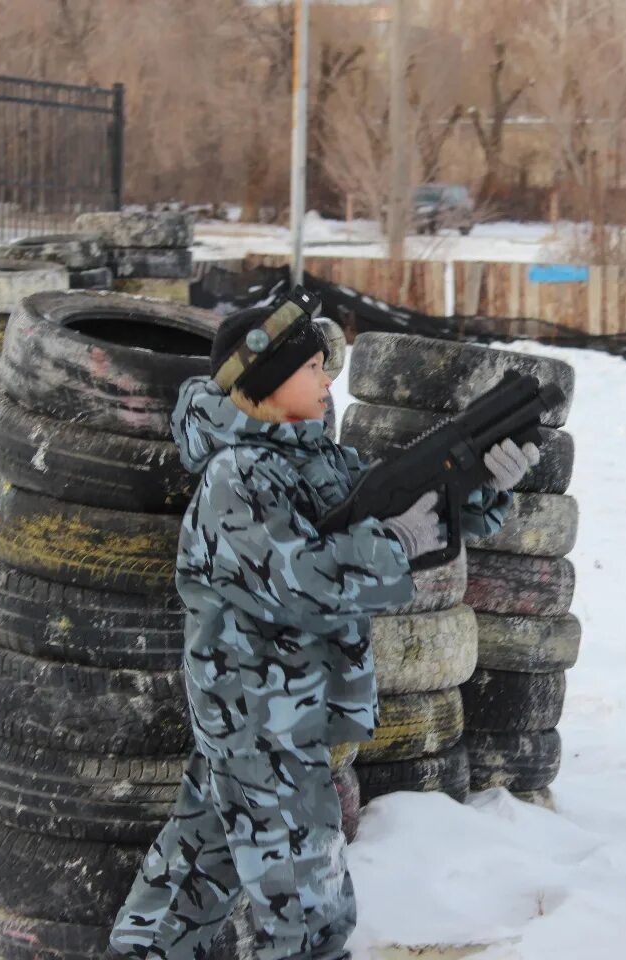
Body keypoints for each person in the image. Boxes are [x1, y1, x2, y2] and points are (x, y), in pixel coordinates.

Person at [108, 296, 539, 960]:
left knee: (197, 869)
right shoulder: (237, 477)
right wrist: (391, 543)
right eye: (309, 367)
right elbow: (298, 581)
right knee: (309, 910)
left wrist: (481, 488)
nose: (325, 381)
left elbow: (407, 516)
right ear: (263, 384)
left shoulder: (316, 460)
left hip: (277, 715)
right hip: (261, 716)